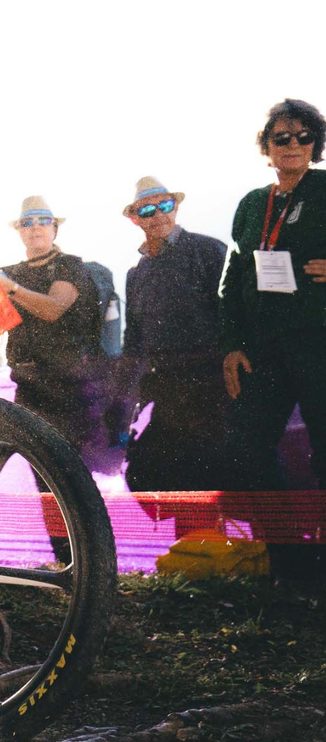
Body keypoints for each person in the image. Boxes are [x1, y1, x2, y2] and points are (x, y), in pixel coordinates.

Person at [220, 99, 326, 581]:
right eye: (281, 137)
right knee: (248, 451)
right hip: (263, 349)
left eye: (304, 136)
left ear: (316, 144)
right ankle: (288, 564)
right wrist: (232, 344)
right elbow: (233, 279)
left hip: (317, 343)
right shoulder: (251, 204)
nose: (293, 145)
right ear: (266, 147)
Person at [106, 177, 229, 521]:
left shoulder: (209, 250)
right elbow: (134, 342)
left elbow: (237, 316)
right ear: (135, 219)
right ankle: (195, 546)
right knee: (151, 473)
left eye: (165, 205)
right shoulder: (136, 273)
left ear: (175, 208)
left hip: (214, 389)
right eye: (148, 210)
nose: (158, 214)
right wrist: (123, 398)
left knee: (219, 477)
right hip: (167, 394)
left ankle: (262, 549)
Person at [0, 197, 101, 562]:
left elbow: (54, 308)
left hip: (69, 387)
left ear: (55, 228)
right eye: (27, 222)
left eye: (42, 220)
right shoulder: (7, 272)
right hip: (28, 386)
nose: (35, 227)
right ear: (19, 231)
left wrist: (7, 287)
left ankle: (92, 563)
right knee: (44, 477)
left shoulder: (71, 265)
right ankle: (66, 564)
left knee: (74, 476)